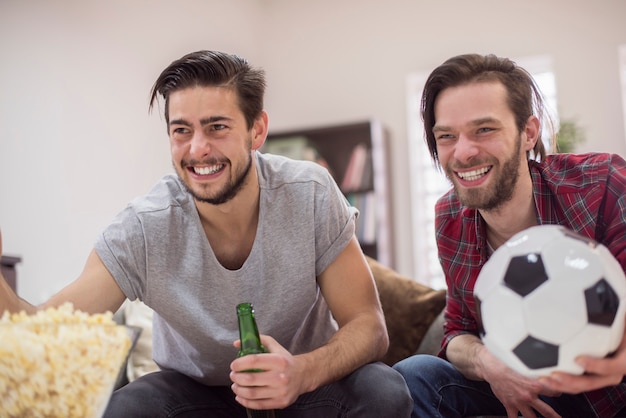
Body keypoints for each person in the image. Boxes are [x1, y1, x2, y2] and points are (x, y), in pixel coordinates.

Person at [0, 50, 412, 417]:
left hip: (302, 386)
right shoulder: (143, 228)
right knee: (127, 406)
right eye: (182, 130)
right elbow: (41, 332)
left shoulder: (311, 194)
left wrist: (302, 373)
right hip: (194, 397)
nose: (198, 149)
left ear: (257, 129)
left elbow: (368, 325)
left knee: (383, 390)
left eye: (217, 127)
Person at [392, 53, 626, 418]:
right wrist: (490, 365)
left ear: (528, 133)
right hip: (523, 395)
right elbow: (457, 332)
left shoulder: (602, 184)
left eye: (484, 129)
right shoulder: (449, 217)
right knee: (414, 376)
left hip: (610, 393)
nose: (464, 152)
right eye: (447, 136)